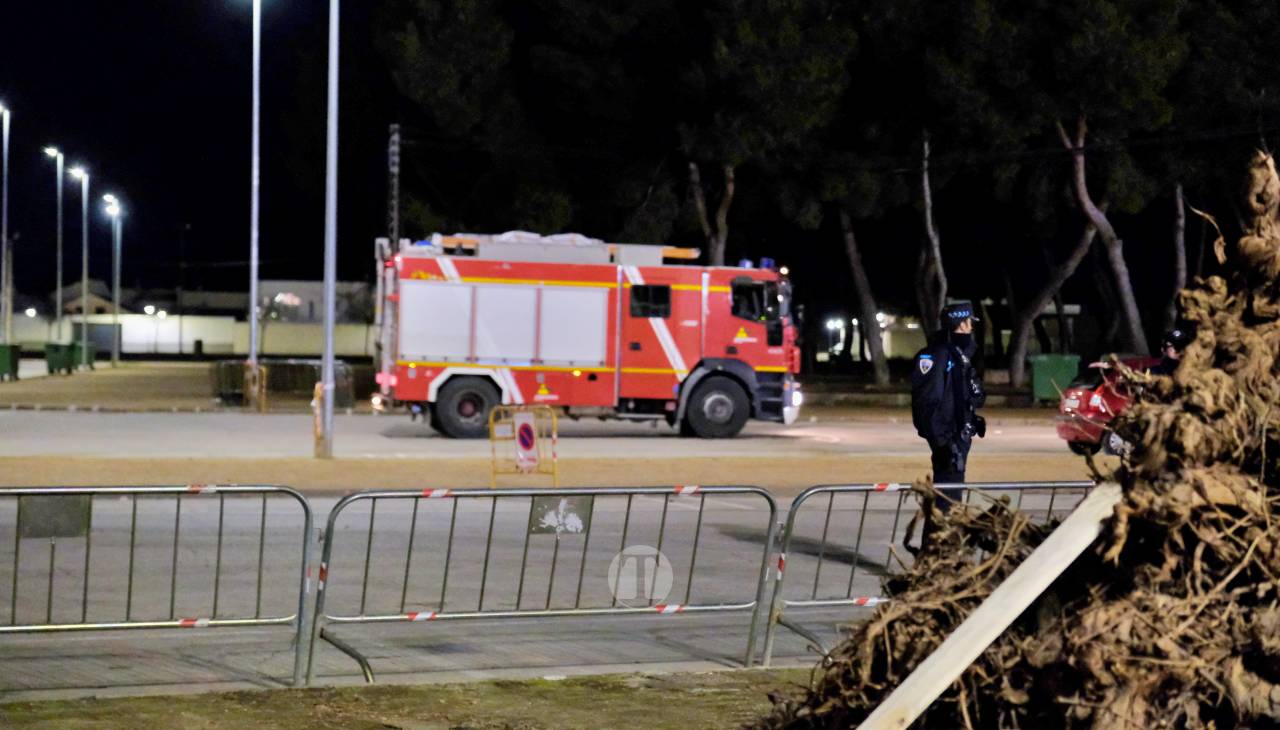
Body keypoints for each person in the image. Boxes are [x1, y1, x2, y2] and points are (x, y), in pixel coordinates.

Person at [911, 301, 987, 509]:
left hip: (957, 437)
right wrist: (942, 442)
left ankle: (943, 537)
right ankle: (939, 540)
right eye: (970, 323)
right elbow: (927, 402)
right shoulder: (937, 355)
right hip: (948, 441)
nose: (971, 328)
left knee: (951, 500)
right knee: (946, 503)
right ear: (962, 325)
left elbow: (972, 395)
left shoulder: (960, 355)